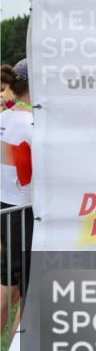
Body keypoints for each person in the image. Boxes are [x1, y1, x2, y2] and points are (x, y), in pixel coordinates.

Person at [1, 59, 34, 330]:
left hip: (7, 210)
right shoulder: (31, 123)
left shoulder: (4, 117)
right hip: (24, 214)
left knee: (7, 285)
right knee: (28, 294)